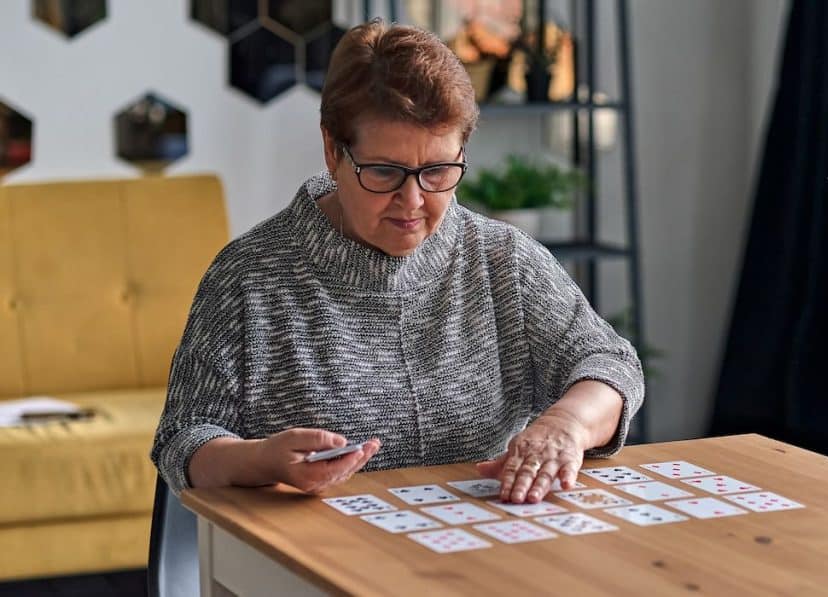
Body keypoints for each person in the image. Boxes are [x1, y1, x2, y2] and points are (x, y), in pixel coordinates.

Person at [150, 19, 643, 505]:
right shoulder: (249, 277)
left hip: (483, 554)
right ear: (332, 150)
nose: (412, 202)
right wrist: (259, 462)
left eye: (438, 171)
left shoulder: (502, 261)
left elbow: (610, 364)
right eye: (384, 172)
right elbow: (183, 439)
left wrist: (567, 425)